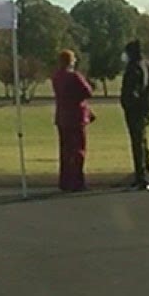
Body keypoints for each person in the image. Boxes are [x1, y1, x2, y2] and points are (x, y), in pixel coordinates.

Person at [51, 49, 95, 193]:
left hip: (62, 117)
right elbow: (88, 91)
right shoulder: (74, 76)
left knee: (65, 151)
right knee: (78, 150)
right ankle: (77, 181)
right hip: (76, 117)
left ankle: (65, 181)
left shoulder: (56, 77)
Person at [119, 38, 149, 192]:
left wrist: (128, 103)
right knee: (142, 138)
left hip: (136, 109)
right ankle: (147, 165)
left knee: (137, 141)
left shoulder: (134, 68)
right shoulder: (148, 65)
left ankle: (141, 177)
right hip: (148, 107)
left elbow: (133, 90)